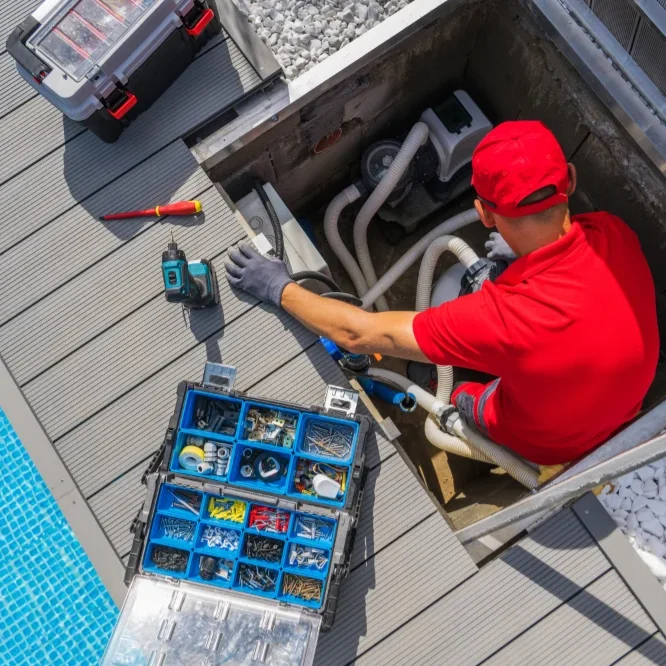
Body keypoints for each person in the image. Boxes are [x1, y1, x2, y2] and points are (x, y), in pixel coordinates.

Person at [225, 121, 659, 465]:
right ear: (570, 180)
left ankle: (435, 384)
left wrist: (279, 287)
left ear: (485, 214)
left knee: (464, 390)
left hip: (549, 443)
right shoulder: (612, 234)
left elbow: (358, 334)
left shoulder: (503, 320)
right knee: (486, 283)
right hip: (624, 410)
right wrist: (520, 255)